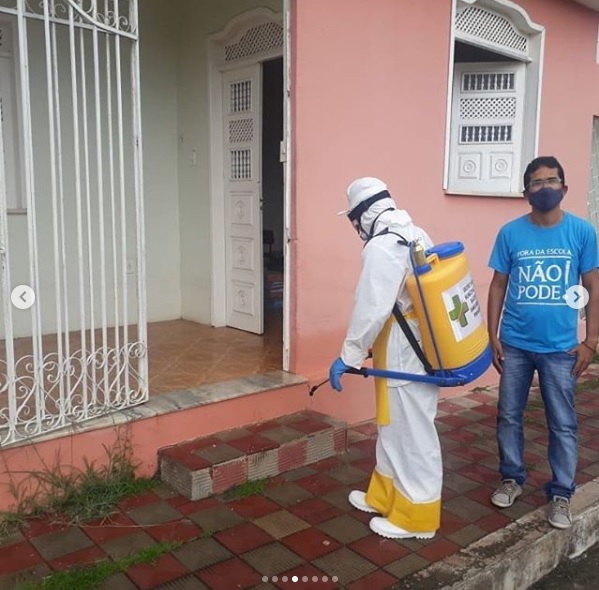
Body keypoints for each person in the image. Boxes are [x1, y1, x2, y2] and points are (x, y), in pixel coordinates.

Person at [487, 155, 599, 529]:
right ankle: (511, 477)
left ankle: (562, 493)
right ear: (526, 192)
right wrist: (492, 335)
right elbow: (498, 285)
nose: (545, 187)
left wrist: (591, 341)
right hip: (515, 344)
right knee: (508, 415)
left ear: (564, 188)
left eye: (552, 181)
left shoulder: (582, 232)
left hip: (561, 349)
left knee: (562, 422)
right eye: (537, 182)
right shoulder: (510, 233)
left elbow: (593, 285)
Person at [329, 176, 442, 540]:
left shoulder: (382, 246)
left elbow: (371, 309)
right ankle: (386, 496)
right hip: (407, 347)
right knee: (393, 426)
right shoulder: (415, 233)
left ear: (363, 214)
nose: (355, 229)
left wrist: (348, 355)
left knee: (414, 433)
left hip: (406, 354)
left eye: (353, 220)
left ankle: (417, 518)